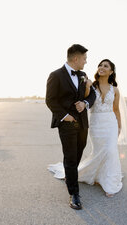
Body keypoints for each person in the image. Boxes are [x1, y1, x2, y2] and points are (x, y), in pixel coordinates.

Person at [48, 59, 127, 198]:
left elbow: (116, 110)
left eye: (106, 66)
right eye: (100, 65)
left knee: (111, 150)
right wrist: (87, 87)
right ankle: (84, 173)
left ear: (111, 72)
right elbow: (86, 99)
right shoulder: (90, 84)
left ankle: (110, 183)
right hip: (96, 123)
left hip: (110, 123)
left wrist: (119, 127)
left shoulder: (115, 89)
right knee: (99, 151)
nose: (102, 67)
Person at [45, 44, 96, 210]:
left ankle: (70, 175)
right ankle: (74, 193)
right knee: (71, 156)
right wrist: (65, 117)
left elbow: (93, 94)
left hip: (82, 122)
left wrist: (85, 103)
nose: (85, 62)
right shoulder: (56, 75)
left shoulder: (83, 75)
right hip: (66, 123)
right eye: (84, 59)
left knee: (80, 150)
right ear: (75, 58)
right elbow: (51, 100)